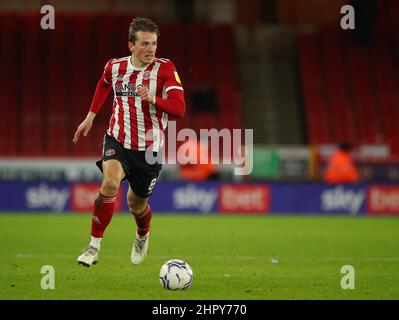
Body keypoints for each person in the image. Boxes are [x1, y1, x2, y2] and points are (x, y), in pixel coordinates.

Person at [72, 17, 186, 267]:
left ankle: (142, 235)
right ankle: (93, 246)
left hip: (149, 151)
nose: (151, 49)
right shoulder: (115, 67)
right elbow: (103, 84)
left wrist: (154, 98)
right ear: (131, 46)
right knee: (110, 183)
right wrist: (90, 116)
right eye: (145, 43)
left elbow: (179, 109)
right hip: (118, 140)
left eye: (154, 43)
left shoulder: (165, 69)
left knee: (136, 203)